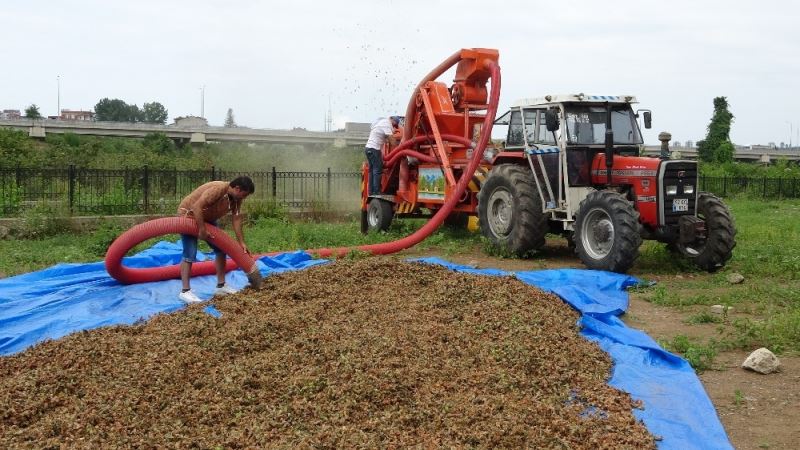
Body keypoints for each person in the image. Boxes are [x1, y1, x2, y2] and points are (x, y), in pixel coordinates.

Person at [177, 176, 255, 303]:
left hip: (207, 218)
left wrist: (241, 242)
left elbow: (236, 218)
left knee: (221, 249)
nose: (244, 198)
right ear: (237, 188)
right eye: (244, 195)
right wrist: (202, 230)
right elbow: (197, 207)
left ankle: (221, 286)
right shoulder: (218, 189)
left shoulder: (236, 198)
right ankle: (185, 291)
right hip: (189, 215)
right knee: (190, 253)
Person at [364, 116, 401, 196]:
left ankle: (371, 191)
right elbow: (391, 140)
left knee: (372, 171)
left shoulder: (380, 123)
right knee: (377, 170)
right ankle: (377, 191)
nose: (394, 127)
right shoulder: (386, 124)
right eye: (395, 124)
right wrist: (400, 147)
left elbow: (387, 139)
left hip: (368, 148)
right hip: (374, 149)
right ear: (392, 119)